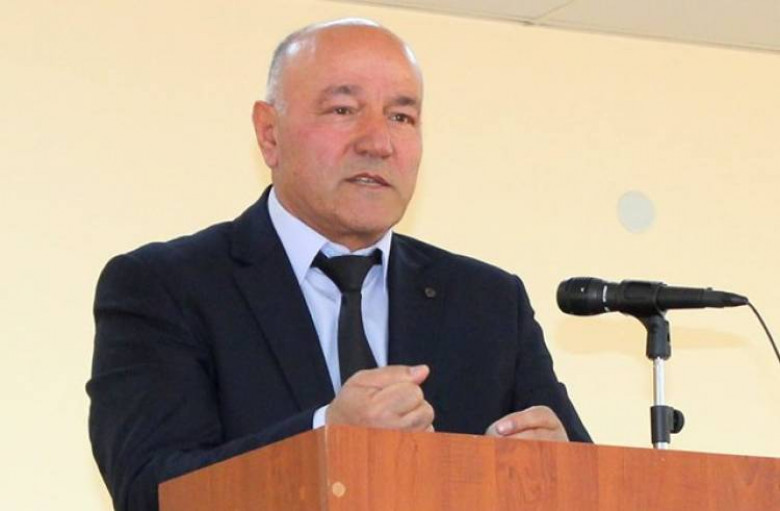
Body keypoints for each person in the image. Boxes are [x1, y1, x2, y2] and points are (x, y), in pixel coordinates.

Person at [87, 18, 590, 511]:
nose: (378, 142)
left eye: (401, 117)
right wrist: (327, 436)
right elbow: (149, 491)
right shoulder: (165, 286)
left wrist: (560, 471)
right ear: (269, 134)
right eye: (343, 109)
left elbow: (592, 480)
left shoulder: (488, 302)